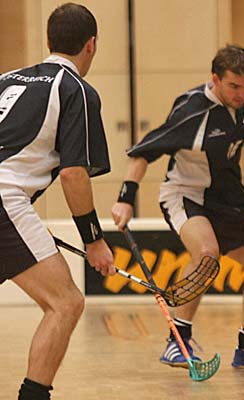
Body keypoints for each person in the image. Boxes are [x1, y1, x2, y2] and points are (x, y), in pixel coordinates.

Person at [111, 44, 244, 370]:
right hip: (185, 195)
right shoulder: (191, 111)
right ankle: (178, 343)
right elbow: (143, 152)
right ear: (215, 79)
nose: (241, 94)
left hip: (228, 201)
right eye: (233, 86)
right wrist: (125, 198)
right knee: (206, 254)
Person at [0, 3, 115, 399]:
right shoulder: (76, 90)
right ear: (91, 45)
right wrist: (93, 239)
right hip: (5, 199)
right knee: (65, 302)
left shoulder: (5, 80)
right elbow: (73, 174)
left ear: (48, 40)